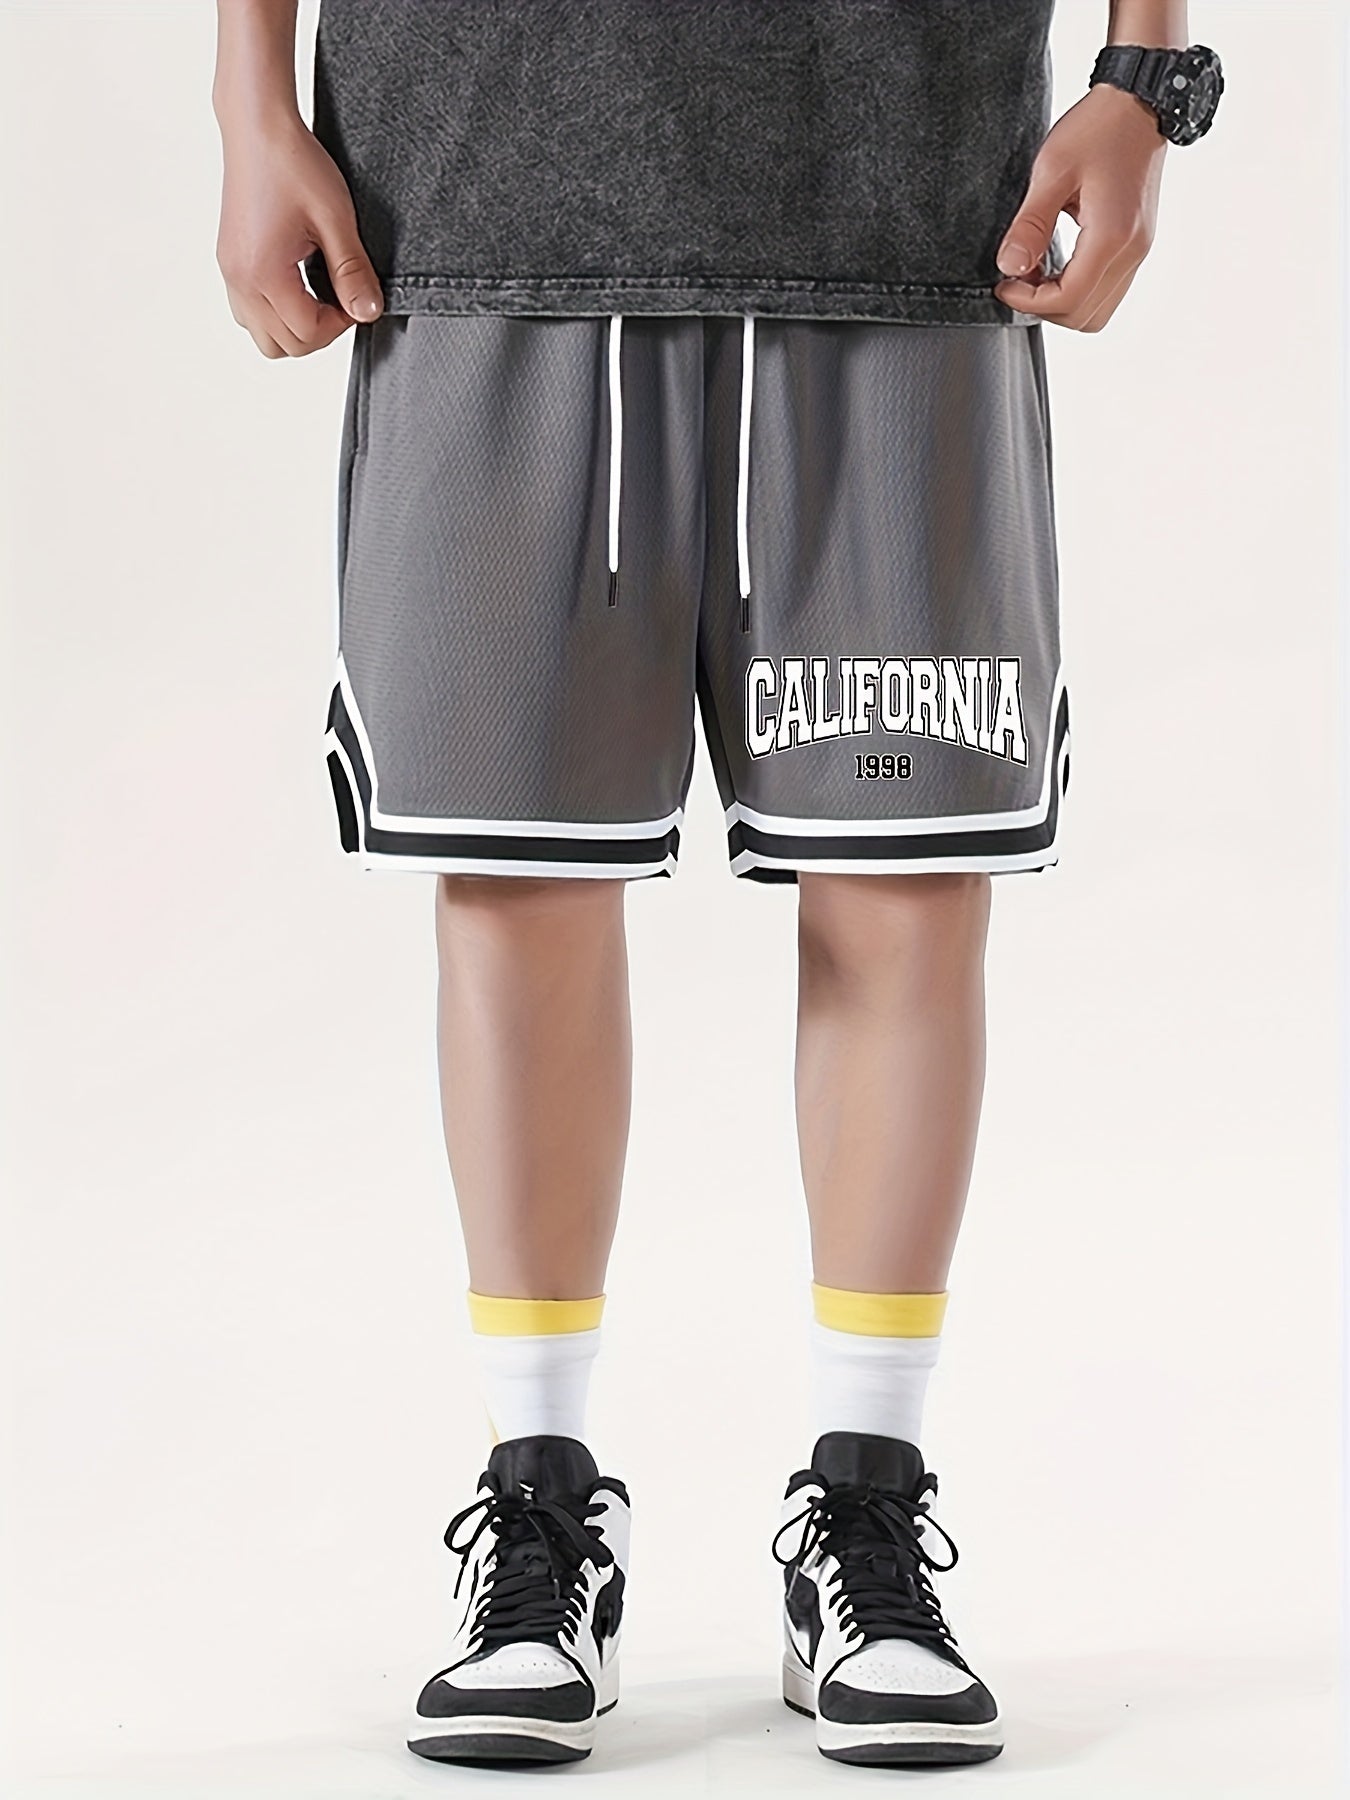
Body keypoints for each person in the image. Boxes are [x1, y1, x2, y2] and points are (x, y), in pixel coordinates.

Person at [213, 0, 1221, 1770]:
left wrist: (1146, 75)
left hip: (902, 202)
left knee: (901, 886)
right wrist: (246, 98)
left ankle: (865, 1507)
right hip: (478, 196)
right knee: (518, 885)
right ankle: (538, 1513)